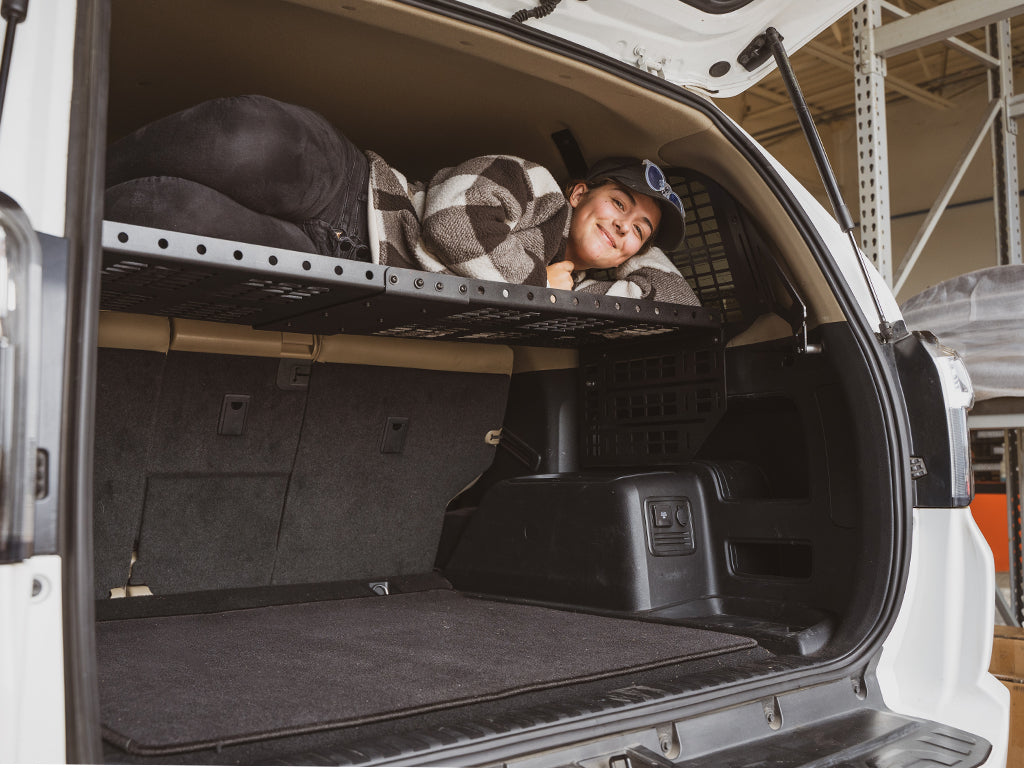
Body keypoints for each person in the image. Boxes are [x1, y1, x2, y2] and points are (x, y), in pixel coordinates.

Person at [105, 95, 699, 305]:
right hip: (352, 191)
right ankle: (65, 177)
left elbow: (677, 299)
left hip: (341, 267)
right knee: (243, 135)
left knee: (167, 217)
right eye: (619, 204)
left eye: (639, 231)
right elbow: (453, 222)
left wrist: (624, 256)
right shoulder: (539, 188)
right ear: (580, 193)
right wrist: (539, 283)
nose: (624, 227)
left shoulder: (587, 292)